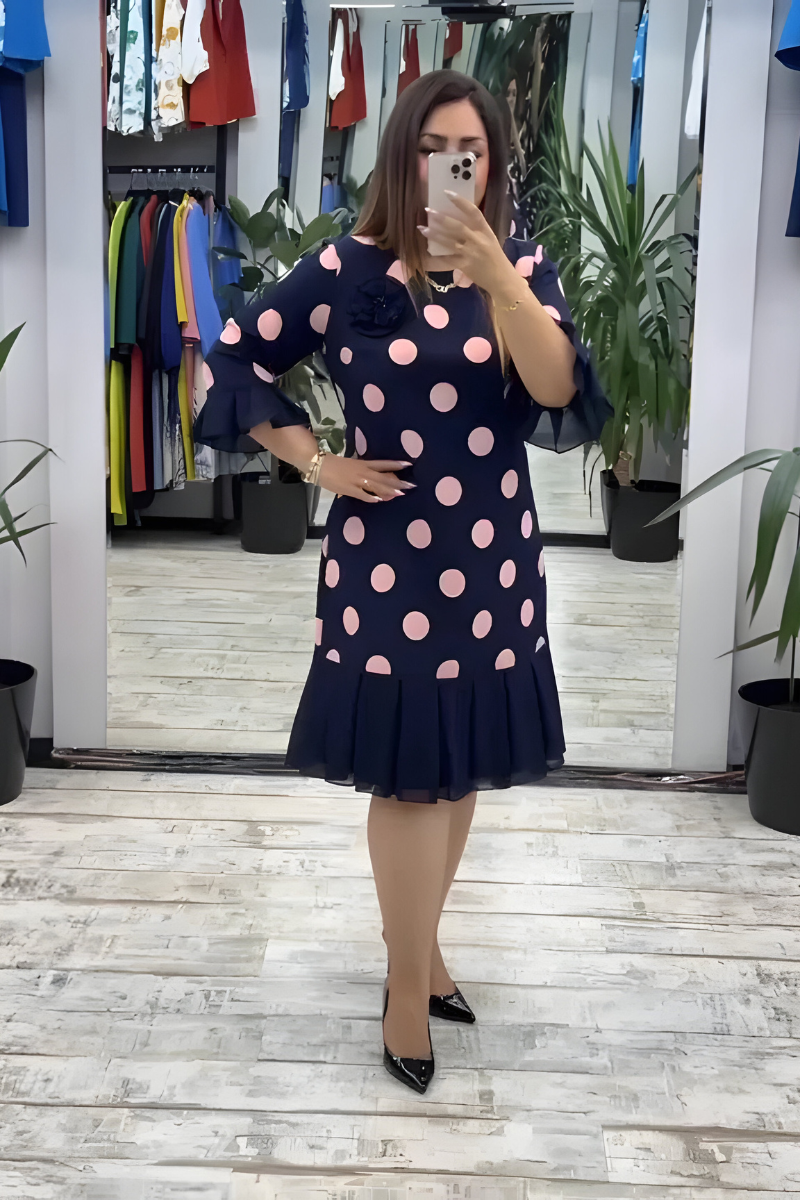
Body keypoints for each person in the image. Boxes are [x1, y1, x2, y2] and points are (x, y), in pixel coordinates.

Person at [194, 69, 610, 1095]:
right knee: (409, 773)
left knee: (457, 766)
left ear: (493, 164)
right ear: (401, 157)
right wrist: (316, 464)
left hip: (493, 557)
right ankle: (404, 988)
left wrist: (497, 274)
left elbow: (558, 386)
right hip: (384, 561)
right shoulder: (346, 269)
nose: (451, 166)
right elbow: (234, 357)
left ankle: (420, 953)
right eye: (433, 149)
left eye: (470, 151)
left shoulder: (521, 266)